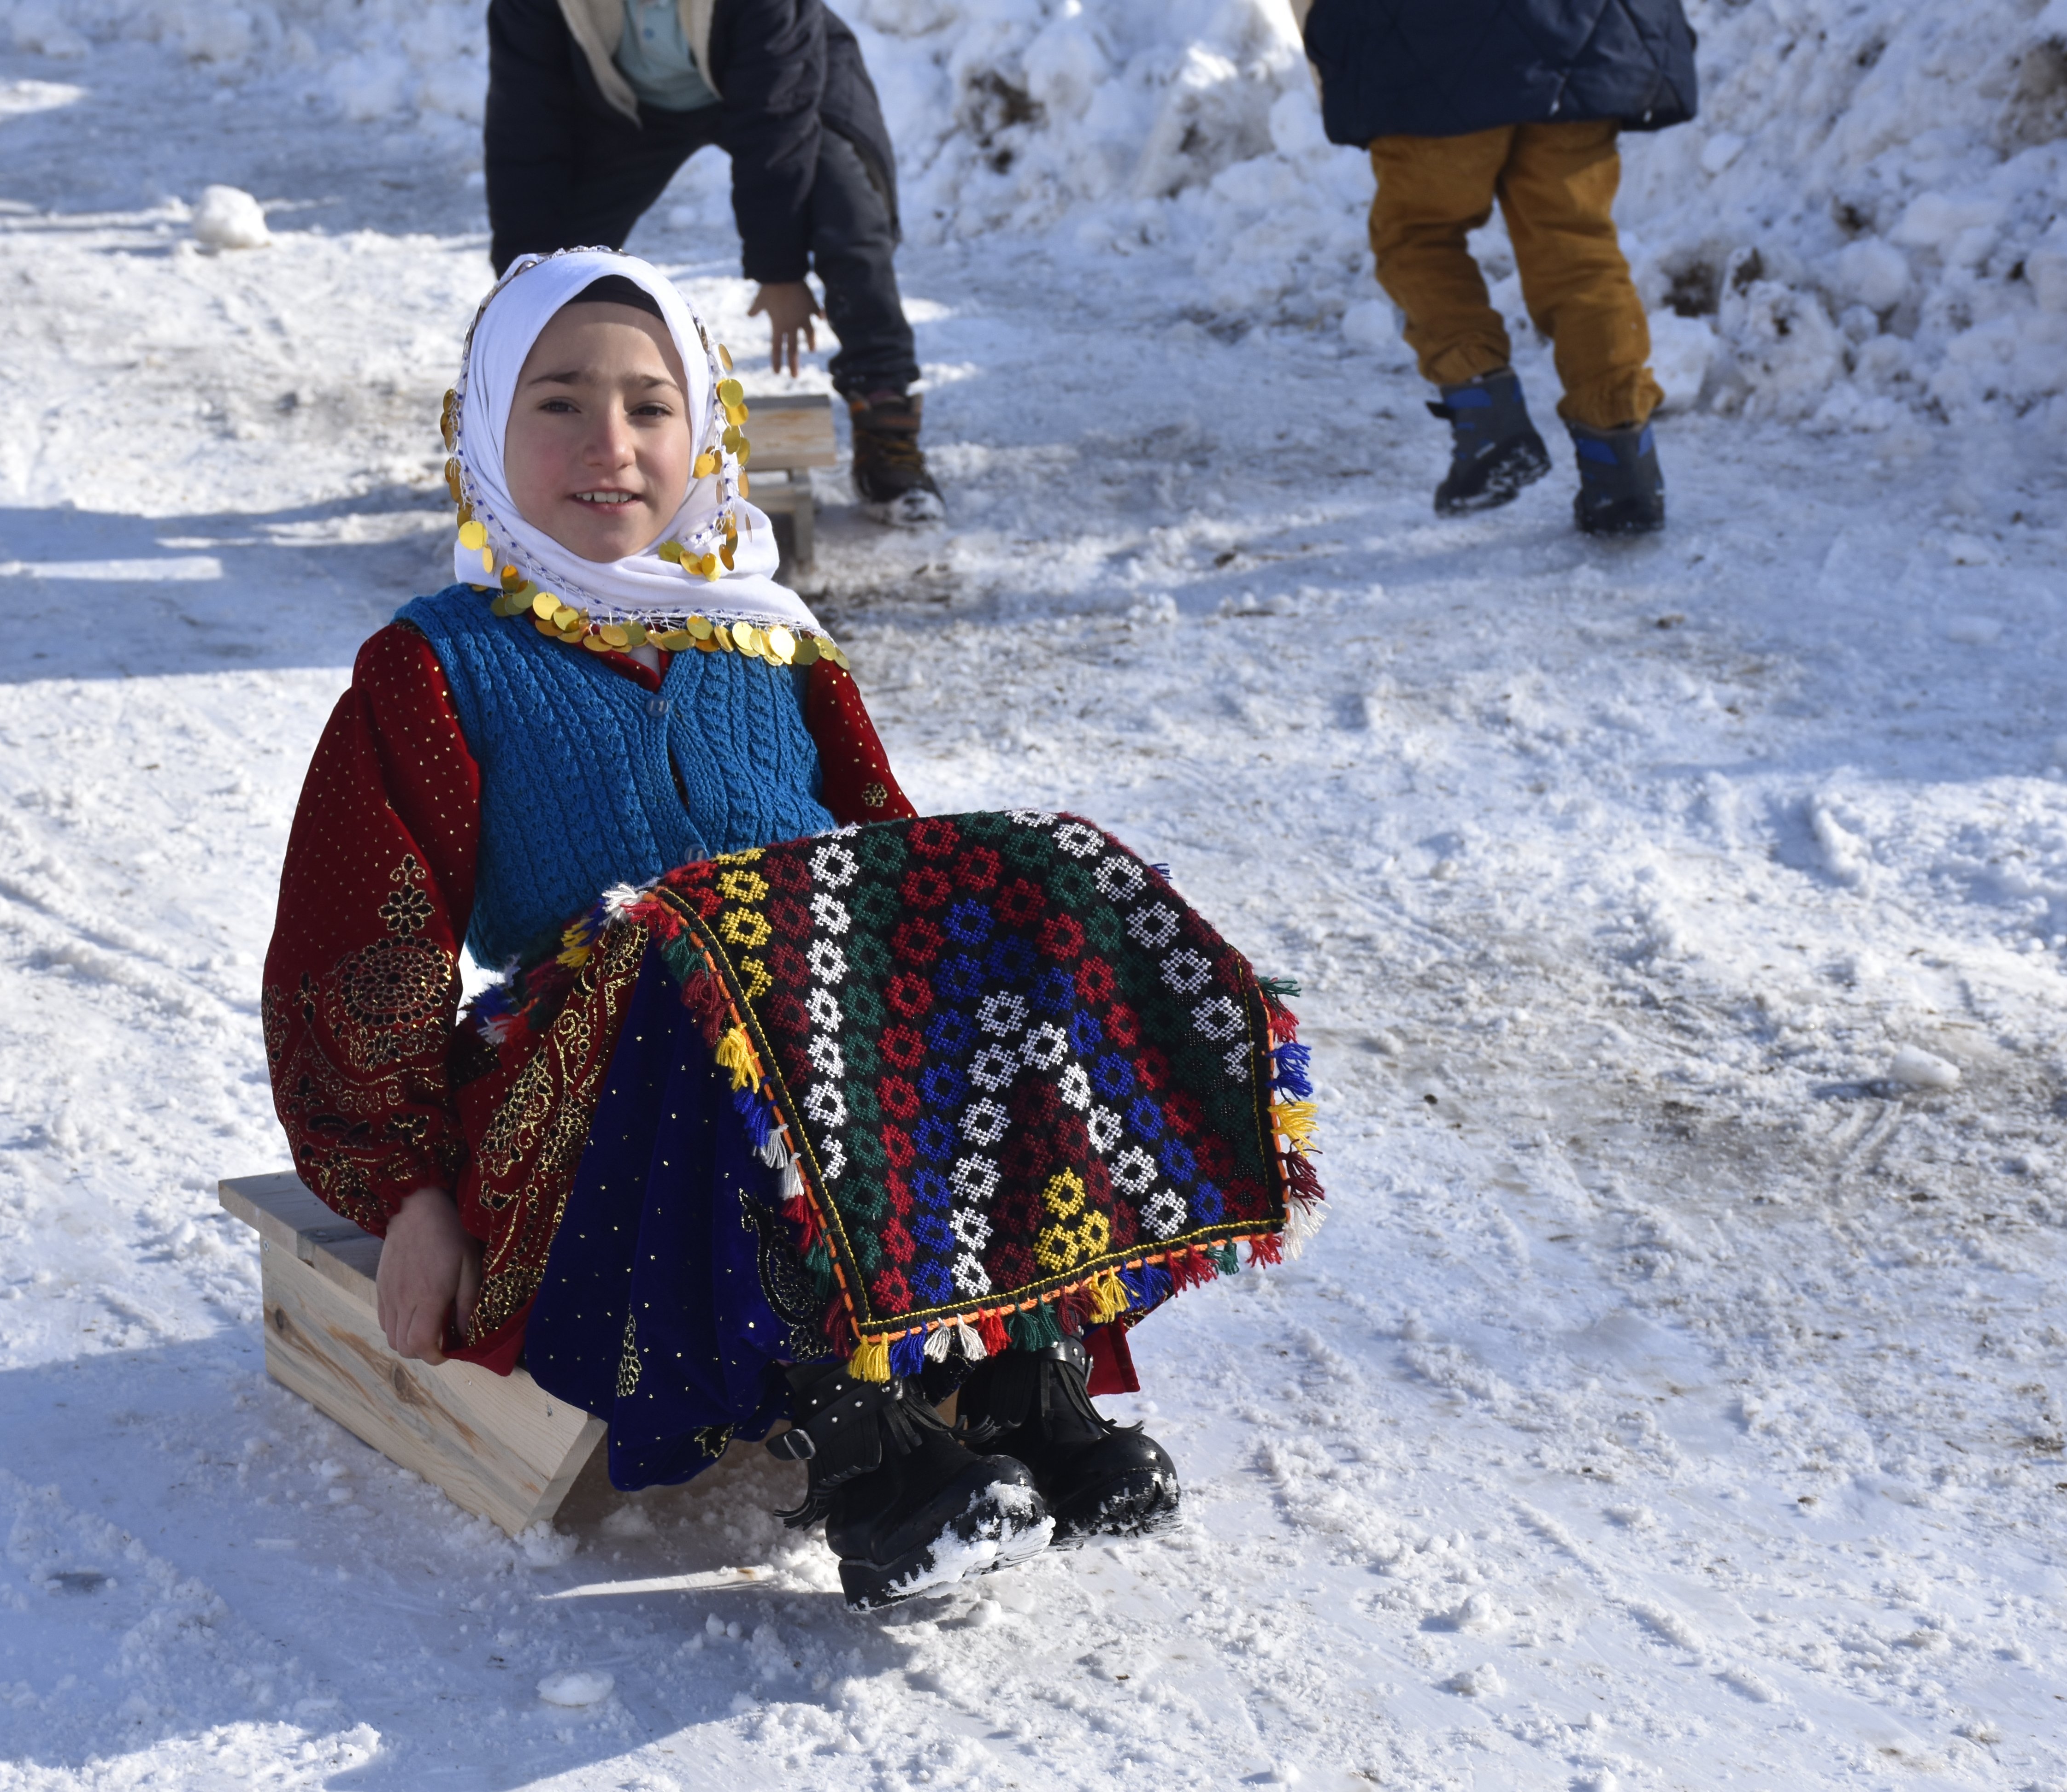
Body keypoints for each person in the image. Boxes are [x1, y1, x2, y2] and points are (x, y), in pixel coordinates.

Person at [261, 250, 1322, 1607]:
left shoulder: (770, 643)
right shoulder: (436, 665)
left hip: (802, 1066)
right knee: (706, 946)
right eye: (558, 404)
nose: (611, 445)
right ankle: (863, 1452)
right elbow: (358, 951)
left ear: (702, 428)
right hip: (593, 1090)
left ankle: (1010, 1378)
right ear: (481, 429)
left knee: (999, 884)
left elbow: (903, 882)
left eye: (650, 407)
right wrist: (405, 1194)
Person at [482, 0, 946, 525]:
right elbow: (525, 138)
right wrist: (521, 295)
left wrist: (780, 270)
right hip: (627, 103)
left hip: (783, 83)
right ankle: (535, 435)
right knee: (550, 261)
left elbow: (775, 120)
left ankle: (885, 420)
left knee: (849, 214)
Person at [1303, 0, 1697, 534]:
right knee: (1577, 247)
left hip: (1426, 45)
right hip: (1574, 32)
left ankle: (1486, 414)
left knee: (1419, 233)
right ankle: (1622, 468)